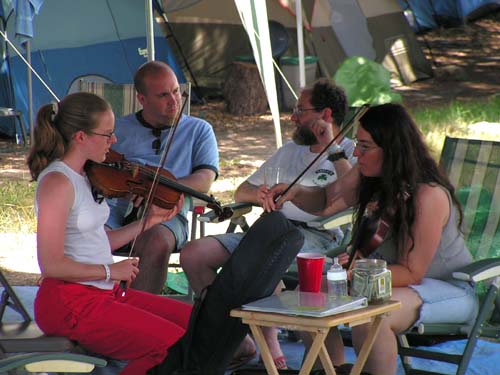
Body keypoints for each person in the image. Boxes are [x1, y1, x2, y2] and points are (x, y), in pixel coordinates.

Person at [267, 103, 478, 375]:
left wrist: (358, 271)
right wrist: (294, 191)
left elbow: (413, 272)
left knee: (371, 316)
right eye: (357, 144)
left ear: (391, 150)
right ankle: (333, 370)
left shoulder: (428, 195)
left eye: (365, 147)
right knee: (308, 295)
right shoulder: (372, 175)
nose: (356, 153)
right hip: (382, 282)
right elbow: (326, 200)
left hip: (448, 289)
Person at [181, 79, 355, 369]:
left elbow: (350, 194)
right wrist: (258, 194)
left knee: (262, 261)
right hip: (273, 231)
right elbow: (241, 191)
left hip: (320, 238)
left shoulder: (349, 151)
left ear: (326, 114)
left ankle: (272, 349)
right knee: (193, 254)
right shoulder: (290, 151)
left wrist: (331, 146)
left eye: (300, 109)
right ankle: (239, 338)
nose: (293, 117)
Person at [27, 92, 192, 375]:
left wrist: (150, 221)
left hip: (104, 294)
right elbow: (51, 265)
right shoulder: (57, 182)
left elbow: (96, 241)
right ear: (80, 137)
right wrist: (109, 271)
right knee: (167, 344)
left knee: (194, 321)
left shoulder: (86, 175)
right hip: (68, 302)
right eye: (107, 134)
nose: (114, 141)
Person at [106, 61, 219, 294]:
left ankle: (141, 314)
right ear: (142, 99)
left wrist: (157, 189)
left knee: (157, 240)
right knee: (81, 233)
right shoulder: (117, 128)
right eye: (163, 95)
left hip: (169, 214)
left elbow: (205, 178)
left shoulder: (199, 130)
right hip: (114, 210)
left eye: (176, 91)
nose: (174, 101)